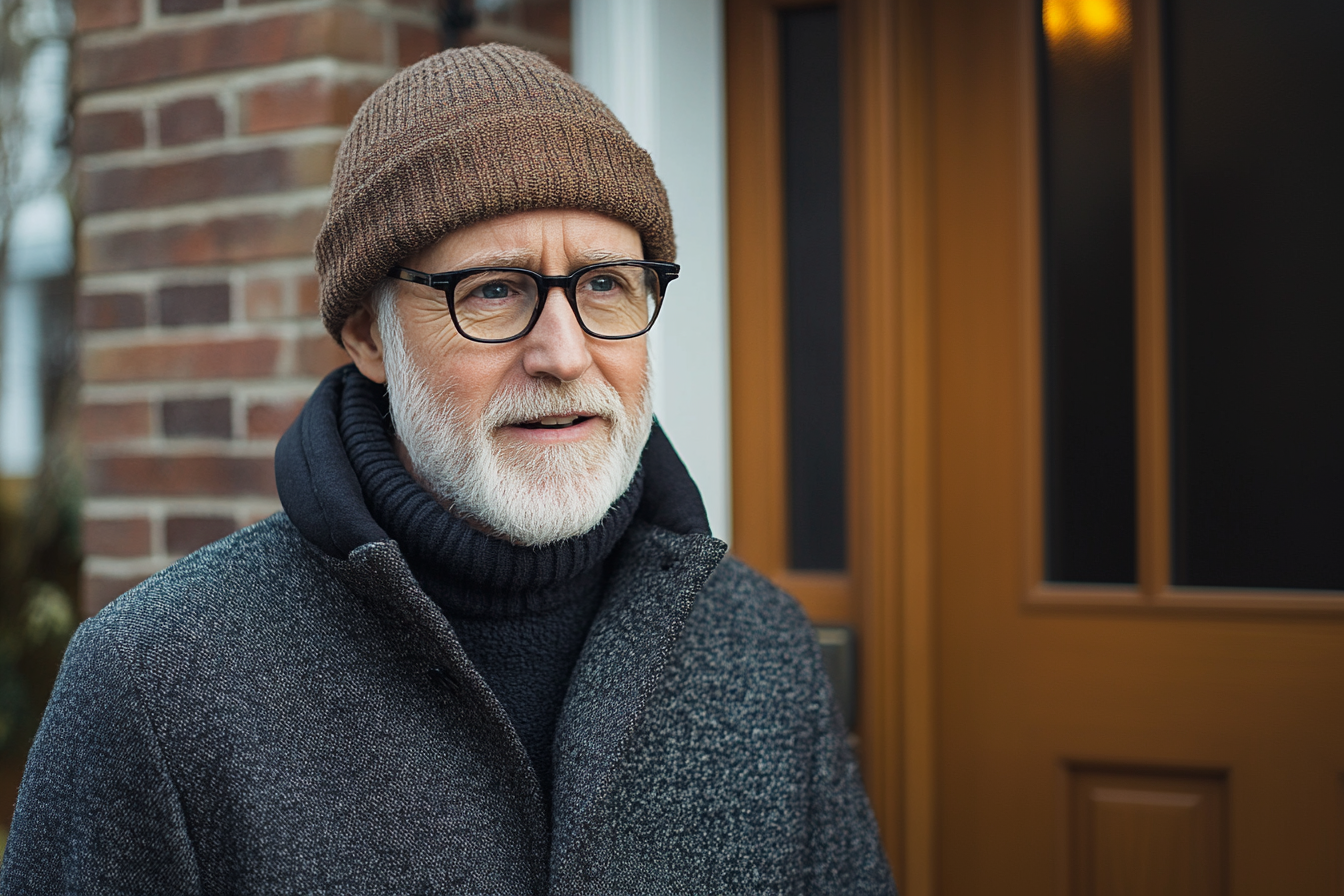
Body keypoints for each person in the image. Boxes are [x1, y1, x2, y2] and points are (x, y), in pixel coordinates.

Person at [0, 44, 895, 894]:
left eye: (606, 284)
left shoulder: (763, 651)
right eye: (496, 289)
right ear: (366, 335)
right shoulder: (156, 689)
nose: (565, 353)